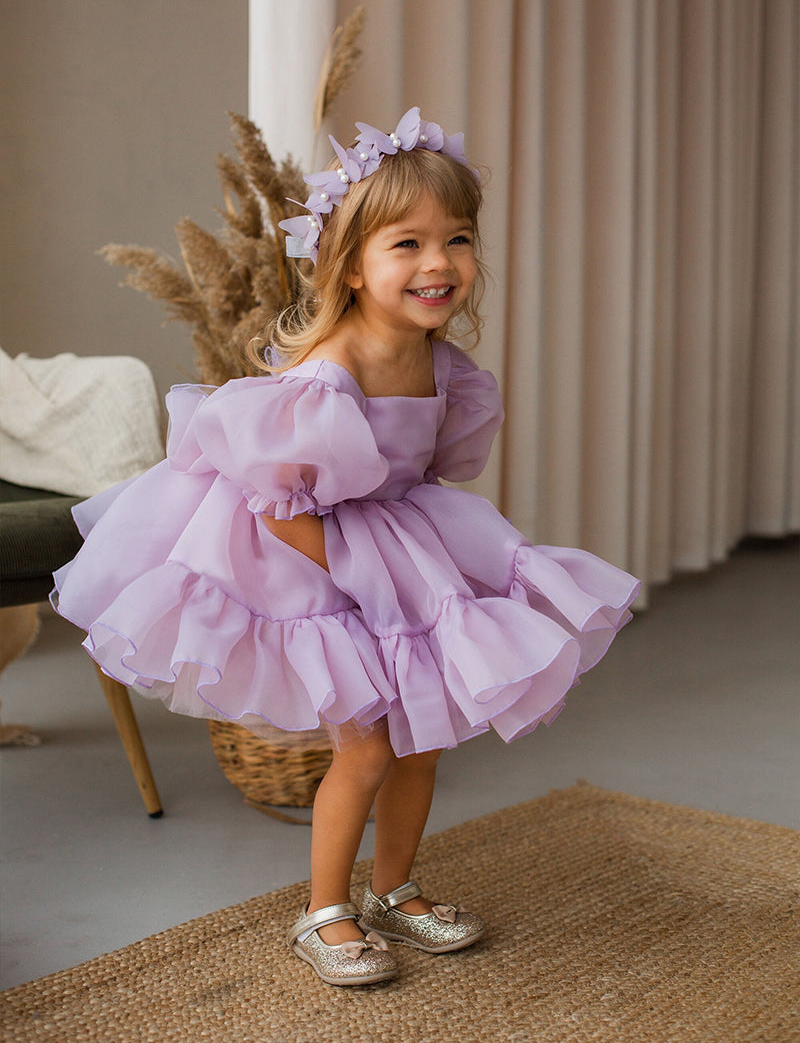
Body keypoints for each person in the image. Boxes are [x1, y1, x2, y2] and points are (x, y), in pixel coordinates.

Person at [53, 108, 640, 988]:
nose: (439, 262)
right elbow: (273, 507)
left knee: (421, 739)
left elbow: (426, 470)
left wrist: (408, 569)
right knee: (364, 748)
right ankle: (324, 910)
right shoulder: (330, 372)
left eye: (458, 239)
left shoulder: (440, 363)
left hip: (397, 543)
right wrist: (365, 578)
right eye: (407, 244)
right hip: (308, 561)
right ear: (352, 266)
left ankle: (392, 890)